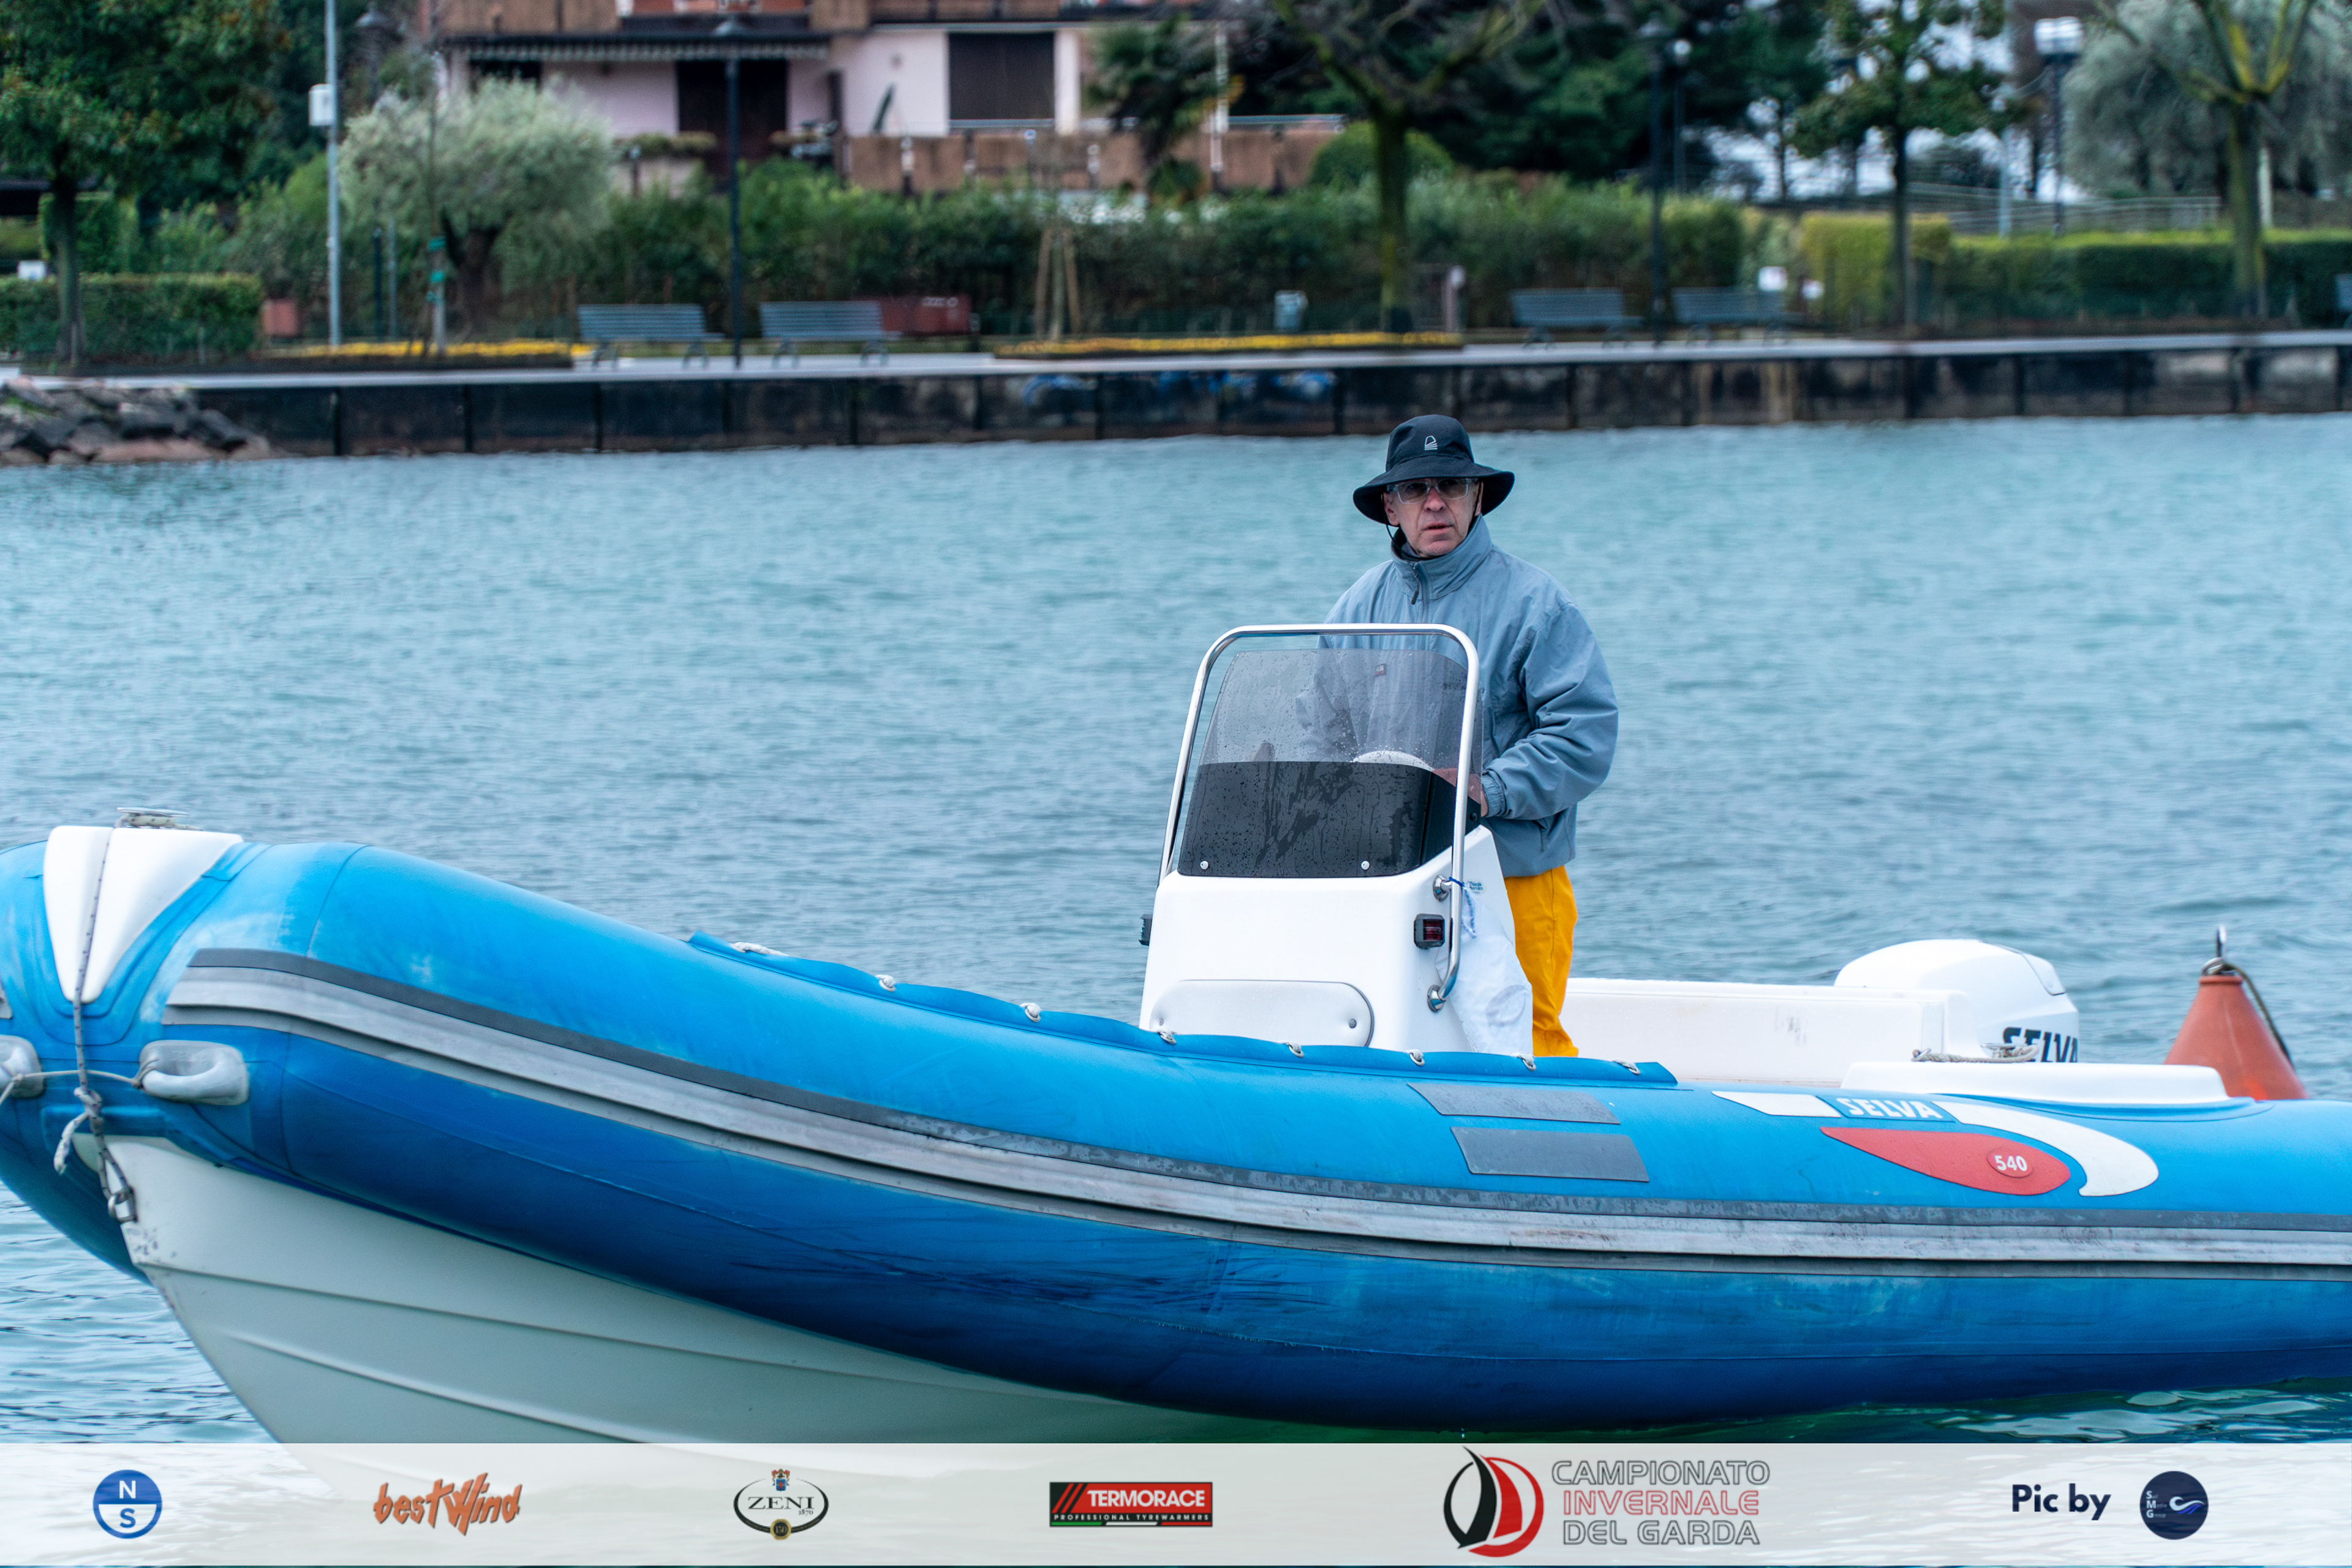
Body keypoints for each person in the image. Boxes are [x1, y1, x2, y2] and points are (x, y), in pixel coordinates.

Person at [1327, 414, 1617, 1056]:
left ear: (1477, 498)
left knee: (1529, 1041)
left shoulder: (1538, 604)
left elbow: (1586, 734)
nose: (1436, 503)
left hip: (1514, 877)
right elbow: (1316, 729)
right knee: (1386, 1034)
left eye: (1453, 487)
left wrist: (1486, 787)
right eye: (1417, 489)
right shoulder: (1355, 607)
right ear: (1389, 507)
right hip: (1390, 880)